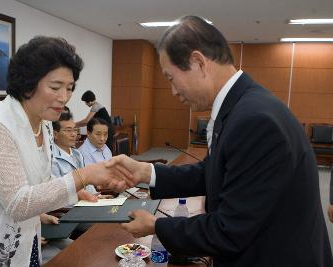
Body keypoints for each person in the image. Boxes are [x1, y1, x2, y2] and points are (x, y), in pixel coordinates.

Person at [108, 16, 333, 267]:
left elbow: (230, 229)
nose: (172, 91)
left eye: (170, 78)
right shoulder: (241, 106)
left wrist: (157, 226)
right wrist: (145, 172)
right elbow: (213, 173)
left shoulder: (254, 120)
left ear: (198, 62)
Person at [0, 36, 132, 267]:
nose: (64, 97)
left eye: (69, 88)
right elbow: (18, 203)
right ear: (27, 83)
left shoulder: (44, 123)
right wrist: (82, 177)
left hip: (25, 238)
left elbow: (36, 180)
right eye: (55, 87)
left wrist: (76, 192)